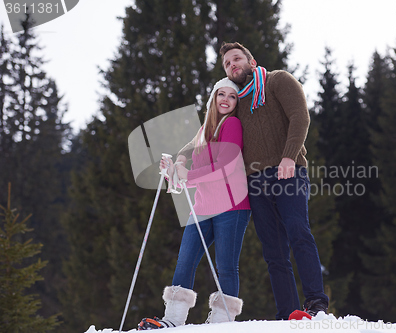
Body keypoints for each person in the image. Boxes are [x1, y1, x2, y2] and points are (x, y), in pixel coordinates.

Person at [219, 42, 329, 320]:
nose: (232, 65)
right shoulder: (235, 102)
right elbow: (208, 133)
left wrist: (289, 157)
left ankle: (316, 303)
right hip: (255, 182)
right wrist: (180, 159)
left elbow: (300, 117)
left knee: (298, 231)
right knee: (273, 251)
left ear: (251, 61)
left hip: (288, 171)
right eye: (227, 64)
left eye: (236, 59)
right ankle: (288, 313)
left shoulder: (278, 80)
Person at [138, 78, 251, 330]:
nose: (226, 99)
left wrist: (187, 175)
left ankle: (222, 321)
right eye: (221, 94)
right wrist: (173, 171)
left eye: (232, 96)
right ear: (213, 98)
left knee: (225, 265)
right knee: (185, 260)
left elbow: (225, 166)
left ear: (236, 102)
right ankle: (173, 319)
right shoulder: (204, 132)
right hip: (202, 207)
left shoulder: (231, 124)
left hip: (231, 207)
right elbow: (190, 163)